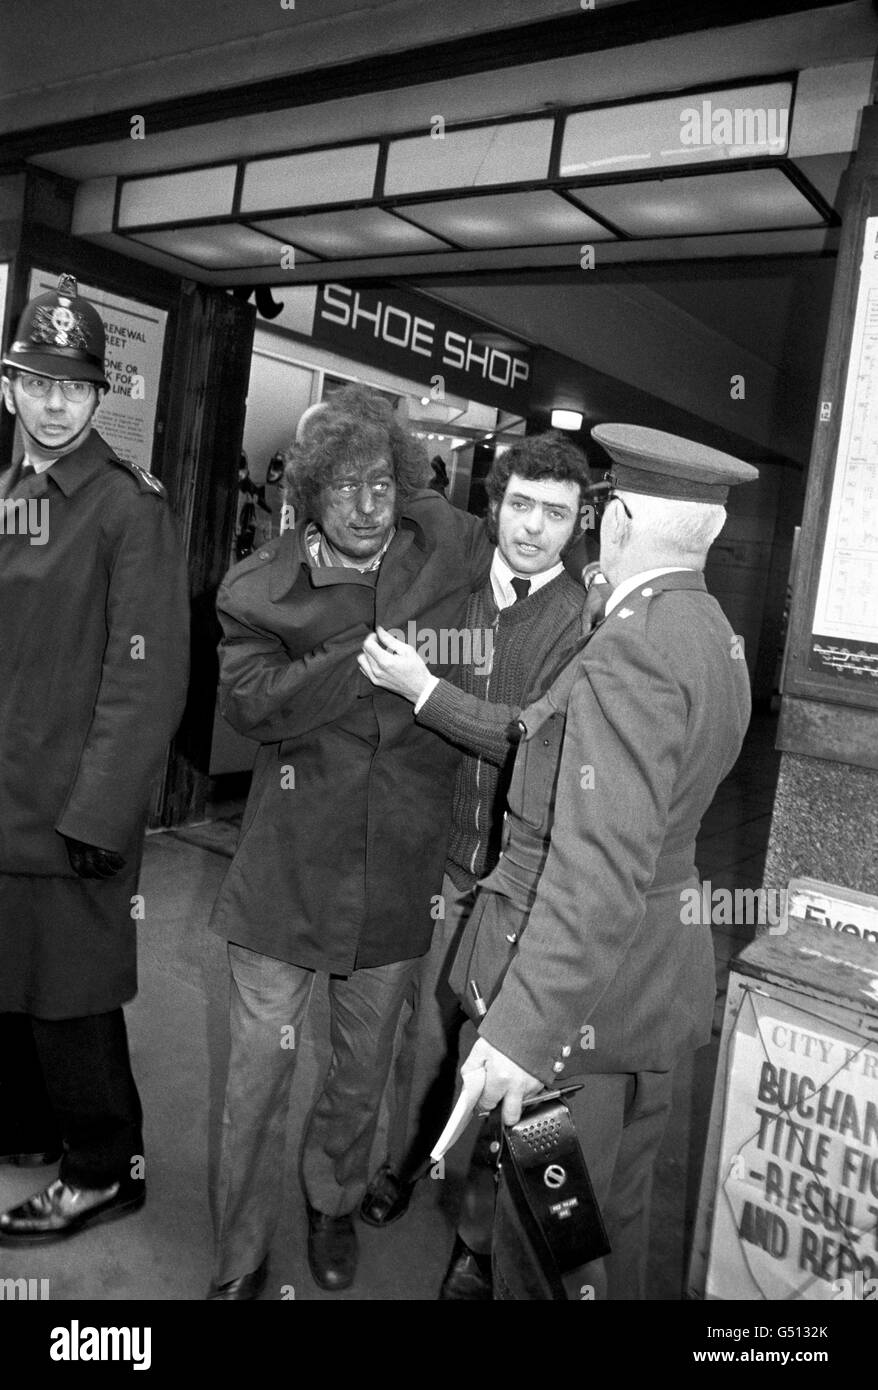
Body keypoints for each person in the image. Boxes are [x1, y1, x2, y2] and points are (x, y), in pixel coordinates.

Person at [446, 424, 757, 1299]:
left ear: (614, 520)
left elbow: (598, 868)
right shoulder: (709, 632)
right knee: (604, 1227)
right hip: (650, 989)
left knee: (547, 1251)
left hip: (575, 1017)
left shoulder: (632, 649)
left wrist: (522, 1033)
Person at [206, 385, 494, 1299]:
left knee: (361, 1073)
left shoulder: (443, 547)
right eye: (346, 488)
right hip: (285, 879)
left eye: (384, 485)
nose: (368, 507)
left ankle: (332, 1201)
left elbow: (530, 534)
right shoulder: (259, 589)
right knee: (257, 1080)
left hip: (397, 873)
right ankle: (240, 1257)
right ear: (310, 494)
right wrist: (367, 651)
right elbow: (254, 706)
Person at [356, 433, 605, 1298]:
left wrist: (425, 691)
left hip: (523, 883)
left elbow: (528, 738)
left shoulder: (581, 624)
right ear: (495, 505)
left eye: (557, 514)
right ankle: (402, 1163)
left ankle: (480, 1240)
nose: (534, 528)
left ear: (581, 526)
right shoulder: (458, 597)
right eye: (521, 505)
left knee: (516, 1071)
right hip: (443, 865)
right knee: (425, 1038)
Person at [0, 274, 190, 1246]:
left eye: (73, 385)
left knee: (71, 1003)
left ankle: (104, 1168)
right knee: (15, 989)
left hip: (73, 816)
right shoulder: (10, 495)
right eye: (37, 380)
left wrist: (98, 815)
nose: (55, 399)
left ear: (96, 392)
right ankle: (30, 1129)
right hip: (6, 804)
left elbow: (146, 679)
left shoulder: (125, 509)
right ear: (9, 386)